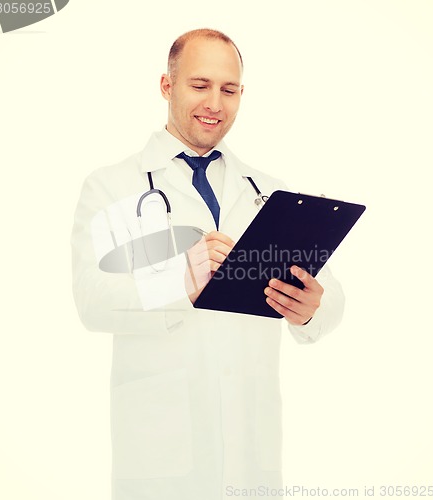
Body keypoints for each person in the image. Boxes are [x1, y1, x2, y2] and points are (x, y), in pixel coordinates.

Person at [71, 28, 345, 500]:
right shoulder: (112, 187)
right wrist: (180, 283)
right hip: (159, 457)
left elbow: (332, 296)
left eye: (229, 89)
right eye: (199, 85)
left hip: (252, 455)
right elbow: (91, 301)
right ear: (166, 85)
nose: (214, 103)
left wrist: (313, 307)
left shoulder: (267, 193)